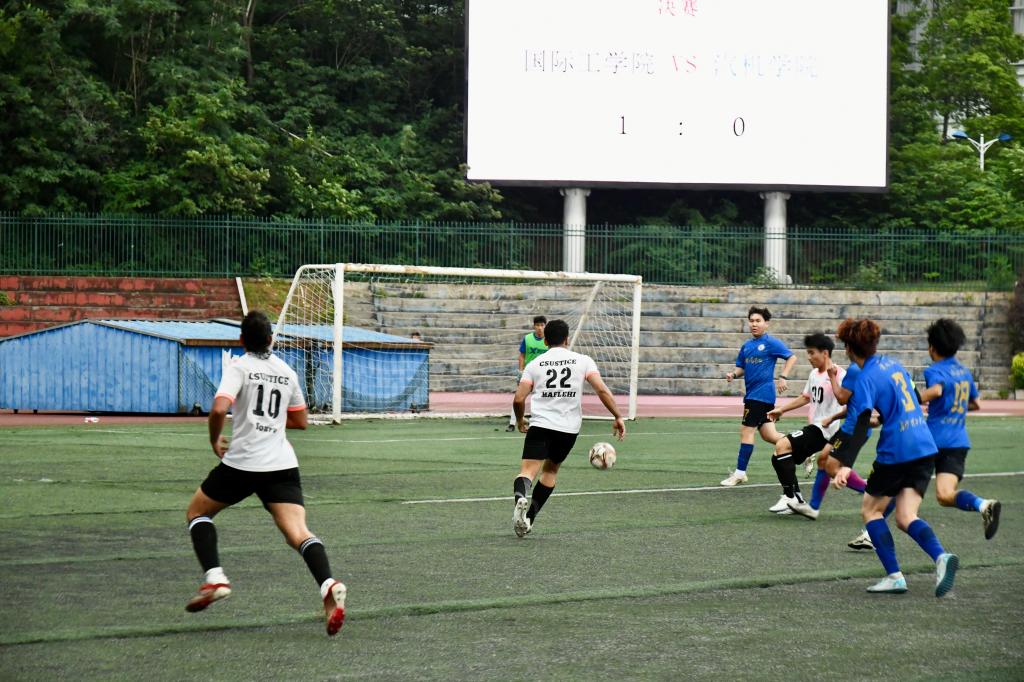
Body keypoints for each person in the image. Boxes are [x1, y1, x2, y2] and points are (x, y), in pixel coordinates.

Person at [184, 311, 348, 635]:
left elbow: (219, 408)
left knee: (197, 513)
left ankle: (215, 578)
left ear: (241, 340)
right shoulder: (286, 372)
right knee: (298, 533)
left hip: (244, 464)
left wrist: (215, 438)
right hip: (281, 465)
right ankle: (328, 584)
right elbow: (300, 421)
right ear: (271, 339)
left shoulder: (239, 366)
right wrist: (270, 423)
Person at [829, 318, 959, 596]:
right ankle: (941, 556)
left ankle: (895, 576)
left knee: (871, 510)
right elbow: (913, 397)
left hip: (897, 450)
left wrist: (846, 465)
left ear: (849, 348)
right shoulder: (894, 364)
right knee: (905, 516)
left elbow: (861, 420)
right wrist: (887, 417)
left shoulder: (864, 376)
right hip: (925, 446)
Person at [510, 319, 625, 537]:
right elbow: (601, 390)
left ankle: (521, 498)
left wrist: (520, 420)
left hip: (541, 425)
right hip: (568, 429)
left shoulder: (534, 365)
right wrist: (617, 415)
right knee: (550, 471)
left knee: (527, 472)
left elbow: (518, 399)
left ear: (545, 341)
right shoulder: (583, 361)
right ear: (567, 339)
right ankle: (529, 518)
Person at [919, 318, 1000, 539]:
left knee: (904, 485)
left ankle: (870, 531)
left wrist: (911, 399)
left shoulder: (934, 370)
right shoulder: (964, 372)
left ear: (932, 347)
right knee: (945, 495)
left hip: (932, 442)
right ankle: (983, 505)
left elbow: (936, 391)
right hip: (958, 443)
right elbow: (975, 404)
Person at [765, 333, 845, 514]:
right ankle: (797, 499)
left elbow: (848, 402)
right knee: (778, 457)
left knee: (782, 444)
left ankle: (790, 497)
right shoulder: (814, 374)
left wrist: (834, 420)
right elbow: (805, 397)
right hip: (814, 427)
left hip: (825, 431)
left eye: (811, 353)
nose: (809, 357)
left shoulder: (840, 374)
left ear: (825, 353)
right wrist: (781, 410)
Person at [721, 306, 796, 486]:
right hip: (755, 395)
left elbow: (791, 357)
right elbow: (742, 367)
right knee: (769, 435)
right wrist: (733, 374)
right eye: (751, 321)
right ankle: (803, 448)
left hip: (761, 395)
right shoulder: (747, 346)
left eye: (758, 321)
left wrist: (783, 377)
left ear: (766, 323)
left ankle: (740, 473)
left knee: (746, 431)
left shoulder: (770, 343)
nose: (754, 324)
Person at [507, 315, 548, 431]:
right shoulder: (527, 338)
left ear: (545, 326)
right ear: (534, 326)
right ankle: (512, 423)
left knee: (542, 398)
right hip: (528, 373)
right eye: (537, 325)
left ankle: (540, 423)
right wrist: (520, 371)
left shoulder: (549, 340)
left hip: (543, 373)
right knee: (519, 397)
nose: (539, 328)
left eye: (542, 325)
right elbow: (522, 355)